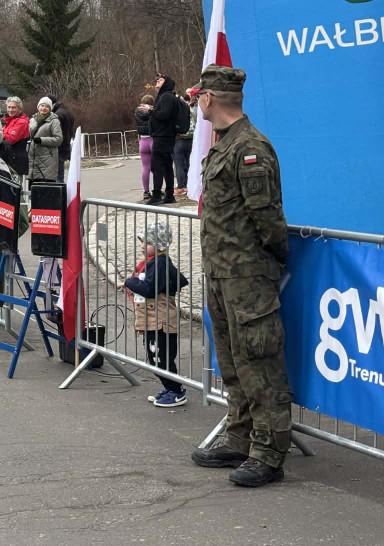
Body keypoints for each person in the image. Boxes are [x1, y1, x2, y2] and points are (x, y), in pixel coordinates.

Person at [188, 65, 292, 488]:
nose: (197, 102)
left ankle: (270, 452)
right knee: (232, 362)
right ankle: (241, 436)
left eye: (199, 96)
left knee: (259, 362)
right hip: (222, 274)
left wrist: (269, 261)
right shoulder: (226, 144)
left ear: (210, 99)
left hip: (247, 275)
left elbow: (267, 218)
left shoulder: (250, 147)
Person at [124, 221, 189, 408]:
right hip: (153, 319)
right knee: (155, 357)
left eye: (148, 242)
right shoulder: (155, 262)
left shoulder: (160, 264)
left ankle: (176, 391)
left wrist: (130, 282)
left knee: (161, 358)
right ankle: (170, 388)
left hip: (160, 321)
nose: (143, 245)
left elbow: (149, 289)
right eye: (142, 241)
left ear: (159, 245)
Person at [147, 73, 179, 205]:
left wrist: (151, 110)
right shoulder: (166, 96)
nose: (157, 80)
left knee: (157, 166)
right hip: (165, 135)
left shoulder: (166, 96)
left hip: (163, 136)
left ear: (167, 83)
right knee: (166, 166)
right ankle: (169, 195)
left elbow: (164, 115)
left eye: (161, 79)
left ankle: (156, 196)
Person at [27, 97, 63, 183]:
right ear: (38, 107)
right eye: (42, 105)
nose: (43, 108)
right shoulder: (32, 120)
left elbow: (58, 139)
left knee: (44, 190)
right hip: (33, 159)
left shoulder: (54, 121)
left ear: (50, 108)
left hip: (47, 161)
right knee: (33, 190)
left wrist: (41, 140)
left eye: (47, 106)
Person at [174, 89, 198, 195]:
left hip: (179, 140)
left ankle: (181, 186)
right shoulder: (190, 110)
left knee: (178, 164)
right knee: (189, 163)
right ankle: (190, 184)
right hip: (191, 139)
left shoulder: (176, 112)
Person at [1, 96, 30, 177]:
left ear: (19, 109)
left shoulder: (22, 122)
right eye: (9, 107)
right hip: (9, 158)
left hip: (16, 160)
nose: (10, 110)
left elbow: (10, 139)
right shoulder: (9, 121)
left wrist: (1, 135)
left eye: (14, 107)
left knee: (15, 187)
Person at [135, 94, 155, 202]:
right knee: (157, 167)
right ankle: (157, 190)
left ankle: (146, 191)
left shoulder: (137, 112)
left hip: (143, 141)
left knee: (145, 168)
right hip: (152, 139)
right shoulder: (152, 111)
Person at [51, 96, 76, 183]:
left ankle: (62, 195)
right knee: (72, 174)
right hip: (67, 144)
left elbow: (57, 133)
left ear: (52, 104)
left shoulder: (57, 114)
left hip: (60, 147)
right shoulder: (68, 112)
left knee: (59, 177)